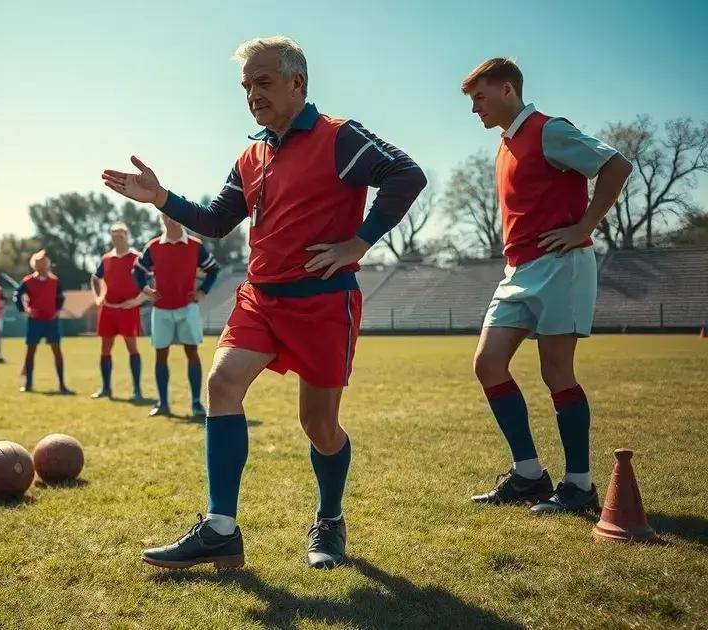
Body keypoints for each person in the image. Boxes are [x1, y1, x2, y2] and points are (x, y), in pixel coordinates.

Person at [103, 36, 425, 569]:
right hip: (261, 298)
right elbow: (215, 220)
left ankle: (329, 519)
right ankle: (221, 529)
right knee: (222, 383)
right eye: (246, 86)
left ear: (297, 82)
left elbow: (406, 175)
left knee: (318, 427)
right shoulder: (251, 154)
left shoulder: (340, 136)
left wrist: (360, 242)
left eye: (264, 82)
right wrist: (162, 199)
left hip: (323, 302)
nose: (253, 94)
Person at [461, 58, 632, 515]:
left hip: (561, 265)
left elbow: (616, 165)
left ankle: (579, 485)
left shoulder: (548, 129)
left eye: (480, 97)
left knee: (556, 373)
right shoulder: (504, 145)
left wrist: (585, 225)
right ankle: (530, 475)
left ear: (507, 90)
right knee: (488, 363)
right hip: (517, 271)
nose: (474, 108)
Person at [133, 215, 219, 418]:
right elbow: (137, 270)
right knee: (161, 355)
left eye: (174, 217)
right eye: (166, 217)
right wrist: (146, 290)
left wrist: (202, 291)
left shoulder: (195, 246)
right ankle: (163, 403)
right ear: (161, 220)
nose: (171, 221)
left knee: (192, 352)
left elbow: (213, 269)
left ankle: (197, 404)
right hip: (161, 310)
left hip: (187, 309)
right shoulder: (153, 246)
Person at [89, 223, 145, 400]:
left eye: (120, 236)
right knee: (105, 348)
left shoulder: (137, 257)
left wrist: (136, 301)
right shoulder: (106, 259)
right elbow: (95, 278)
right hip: (108, 310)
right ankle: (106, 388)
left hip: (128, 310)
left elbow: (150, 281)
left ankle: (137, 390)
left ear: (127, 237)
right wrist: (98, 297)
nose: (117, 240)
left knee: (132, 347)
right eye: (114, 237)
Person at [15, 250, 73, 394]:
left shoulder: (55, 281)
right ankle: (28, 384)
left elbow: (60, 297)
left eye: (46, 262)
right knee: (30, 352)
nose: (44, 265)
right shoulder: (28, 281)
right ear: (36, 265)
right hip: (35, 322)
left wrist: (57, 310)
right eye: (41, 263)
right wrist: (25, 309)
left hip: (51, 321)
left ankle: (62, 384)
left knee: (57, 352)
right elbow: (17, 295)